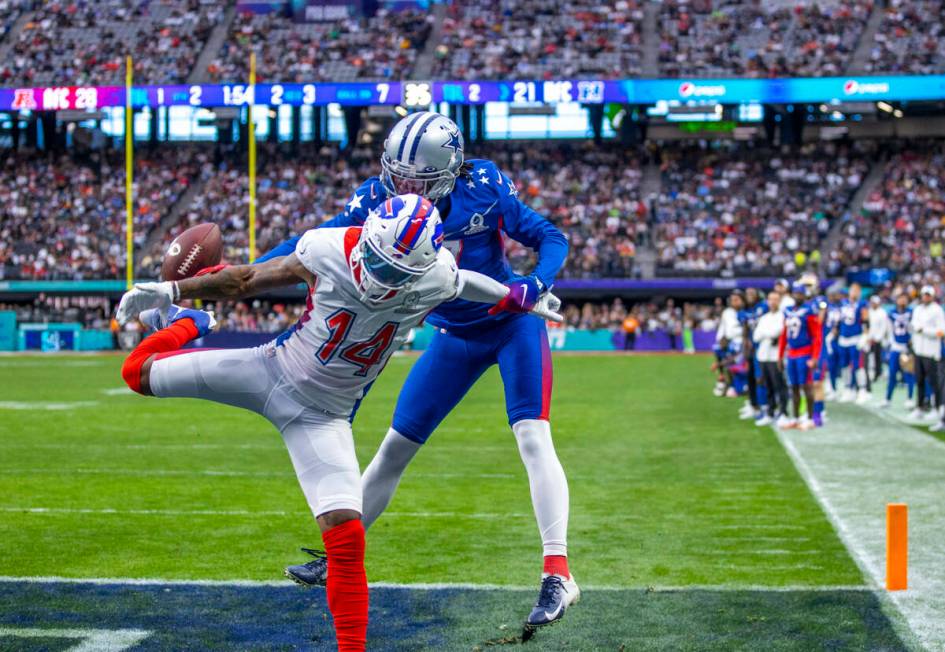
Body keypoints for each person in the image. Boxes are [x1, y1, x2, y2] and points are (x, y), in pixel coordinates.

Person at [114, 197, 562, 652]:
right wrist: (173, 293)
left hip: (323, 417)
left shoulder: (437, 275)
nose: (379, 277)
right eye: (377, 262)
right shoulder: (328, 248)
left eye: (395, 271)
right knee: (136, 373)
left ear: (424, 264)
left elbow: (464, 281)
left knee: (346, 535)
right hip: (269, 370)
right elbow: (248, 277)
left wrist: (515, 296)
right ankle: (191, 324)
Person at [257, 112, 577, 629]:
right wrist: (240, 275)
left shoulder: (484, 187)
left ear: (450, 171)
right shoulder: (372, 201)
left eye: (418, 180)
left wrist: (535, 283)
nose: (404, 189)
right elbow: (304, 251)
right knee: (394, 448)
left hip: (512, 324)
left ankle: (558, 572)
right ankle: (337, 554)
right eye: (397, 176)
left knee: (533, 436)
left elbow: (549, 235)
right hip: (452, 336)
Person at [778, 282, 822, 430]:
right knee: (794, 387)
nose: (798, 296)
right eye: (796, 293)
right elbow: (784, 335)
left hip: (805, 353)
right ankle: (796, 418)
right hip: (792, 354)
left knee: (807, 386)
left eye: (800, 294)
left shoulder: (809, 311)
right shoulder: (788, 311)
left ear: (805, 295)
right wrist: (780, 355)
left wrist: (815, 357)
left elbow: (817, 336)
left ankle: (810, 418)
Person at [910, 285, 945, 423]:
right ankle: (919, 407)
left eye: (928, 295)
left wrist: (923, 330)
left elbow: (941, 331)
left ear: (932, 296)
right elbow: (913, 325)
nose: (925, 297)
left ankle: (936, 409)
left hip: (931, 352)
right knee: (919, 380)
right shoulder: (918, 309)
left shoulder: (937, 310)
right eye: (924, 294)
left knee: (934, 383)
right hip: (919, 350)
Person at [753, 291, 786, 427]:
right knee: (768, 386)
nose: (773, 302)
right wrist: (768, 334)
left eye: (775, 299)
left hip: (775, 356)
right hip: (763, 355)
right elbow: (756, 336)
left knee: (779, 385)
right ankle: (770, 412)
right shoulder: (764, 317)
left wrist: (766, 333)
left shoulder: (783, 316)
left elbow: (777, 331)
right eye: (770, 299)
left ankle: (783, 412)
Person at [737, 287, 768, 421]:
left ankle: (765, 407)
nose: (749, 295)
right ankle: (754, 405)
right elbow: (745, 330)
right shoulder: (743, 312)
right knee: (750, 378)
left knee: (761, 379)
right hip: (751, 350)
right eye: (747, 293)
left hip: (764, 347)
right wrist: (745, 344)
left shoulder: (763, 307)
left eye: (752, 293)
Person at [836, 283, 870, 404]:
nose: (854, 293)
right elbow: (839, 320)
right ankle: (848, 388)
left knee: (858, 365)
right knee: (844, 365)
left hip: (856, 338)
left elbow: (866, 321)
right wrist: (835, 334)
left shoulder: (862, 304)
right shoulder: (843, 303)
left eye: (857, 290)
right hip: (843, 338)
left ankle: (862, 389)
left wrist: (865, 336)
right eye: (853, 290)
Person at [882, 292, 915, 409]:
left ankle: (910, 399)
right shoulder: (891, 313)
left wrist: (911, 344)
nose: (902, 301)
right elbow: (889, 330)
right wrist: (892, 344)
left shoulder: (912, 312)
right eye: (900, 298)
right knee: (892, 374)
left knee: (909, 374)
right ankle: (887, 399)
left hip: (907, 349)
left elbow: (913, 329)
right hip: (896, 347)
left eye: (904, 299)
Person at [867, 294, 889, 384]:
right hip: (870, 338)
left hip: (878, 339)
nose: (873, 304)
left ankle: (879, 373)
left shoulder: (882, 313)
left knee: (878, 357)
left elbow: (884, 327)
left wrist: (878, 338)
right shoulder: (869, 311)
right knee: (870, 357)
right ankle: (873, 373)